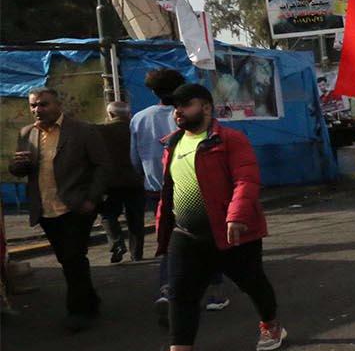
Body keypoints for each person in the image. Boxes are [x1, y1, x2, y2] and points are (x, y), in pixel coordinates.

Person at [146, 83, 287, 351]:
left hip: (230, 233)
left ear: (206, 108)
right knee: (181, 295)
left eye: (186, 105)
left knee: (252, 283)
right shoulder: (172, 144)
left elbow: (246, 179)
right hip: (186, 234)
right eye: (175, 107)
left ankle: (271, 324)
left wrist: (235, 217)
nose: (178, 112)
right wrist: (165, 226)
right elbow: (169, 191)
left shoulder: (230, 140)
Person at [131, 69, 231, 321]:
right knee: (206, 239)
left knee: (170, 241)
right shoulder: (195, 117)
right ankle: (214, 291)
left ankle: (168, 289)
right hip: (194, 189)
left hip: (157, 190)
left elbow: (134, 158)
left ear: (152, 91)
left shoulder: (139, 119)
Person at [8, 88, 109, 330]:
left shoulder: (82, 131)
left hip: (75, 206)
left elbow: (103, 166)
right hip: (45, 207)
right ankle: (90, 300)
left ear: (58, 105)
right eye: (33, 106)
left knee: (74, 256)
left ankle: (78, 312)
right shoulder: (27, 133)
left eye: (43, 104)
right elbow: (22, 169)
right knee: (68, 259)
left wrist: (92, 199)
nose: (37, 110)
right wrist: (17, 166)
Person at [98, 101, 147, 264]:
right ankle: (136, 253)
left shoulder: (100, 131)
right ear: (129, 114)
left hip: (110, 183)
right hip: (136, 180)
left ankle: (117, 243)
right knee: (136, 218)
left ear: (110, 114)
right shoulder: (137, 130)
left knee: (108, 215)